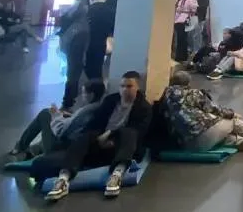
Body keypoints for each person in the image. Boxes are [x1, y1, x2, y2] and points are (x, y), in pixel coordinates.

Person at [31, 71, 152, 201]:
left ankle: (117, 174)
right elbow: (95, 123)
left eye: (129, 86)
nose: (125, 90)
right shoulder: (110, 101)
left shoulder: (143, 107)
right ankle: (63, 178)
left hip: (122, 145)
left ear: (137, 87)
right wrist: (98, 138)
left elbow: (139, 132)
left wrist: (110, 134)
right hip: (100, 141)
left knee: (129, 133)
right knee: (86, 136)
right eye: (122, 86)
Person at [161, 69, 243, 151]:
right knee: (232, 121)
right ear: (187, 83)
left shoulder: (165, 96)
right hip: (203, 135)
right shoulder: (192, 93)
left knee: (219, 134)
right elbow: (215, 109)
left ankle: (241, 142)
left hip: (189, 145)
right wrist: (232, 114)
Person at [7, 79, 106, 161]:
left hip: (60, 147)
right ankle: (33, 148)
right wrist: (68, 116)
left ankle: (21, 146)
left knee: (45, 114)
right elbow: (78, 124)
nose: (82, 95)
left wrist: (56, 115)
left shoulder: (85, 111)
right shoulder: (98, 107)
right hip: (73, 143)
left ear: (91, 95)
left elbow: (61, 131)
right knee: (52, 118)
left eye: (84, 93)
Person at [84, 0, 115, 85]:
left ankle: (91, 87)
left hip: (88, 44)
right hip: (105, 44)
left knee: (89, 68)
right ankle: (99, 87)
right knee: (100, 68)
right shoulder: (112, 11)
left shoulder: (87, 11)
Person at [173, 0, 198, 64]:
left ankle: (182, 56)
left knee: (183, 39)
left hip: (185, 20)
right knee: (179, 39)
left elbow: (194, 10)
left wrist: (183, 10)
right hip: (178, 20)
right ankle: (179, 56)